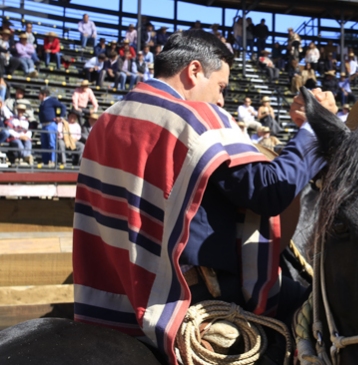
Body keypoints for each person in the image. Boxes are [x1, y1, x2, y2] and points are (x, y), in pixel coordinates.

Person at [72, 29, 335, 364]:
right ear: (194, 71)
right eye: (221, 87)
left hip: (112, 301)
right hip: (186, 302)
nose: (222, 100)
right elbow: (271, 191)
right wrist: (314, 129)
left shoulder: (107, 120)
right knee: (314, 315)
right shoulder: (196, 117)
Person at [38, 87, 66, 166]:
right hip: (44, 125)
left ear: (44, 94)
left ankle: (52, 160)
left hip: (50, 124)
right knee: (44, 144)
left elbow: (63, 106)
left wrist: (60, 117)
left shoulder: (51, 100)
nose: (38, 96)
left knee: (51, 143)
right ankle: (45, 160)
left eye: (39, 94)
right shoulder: (42, 103)